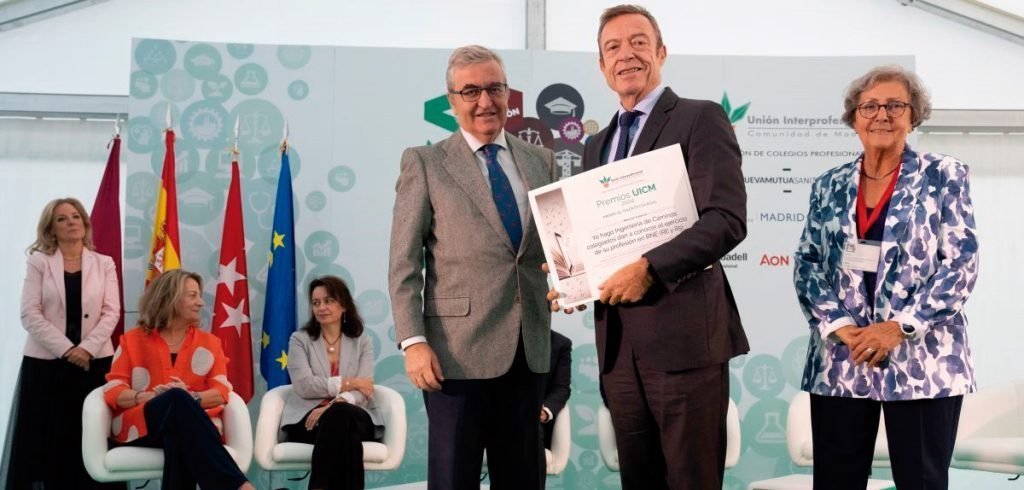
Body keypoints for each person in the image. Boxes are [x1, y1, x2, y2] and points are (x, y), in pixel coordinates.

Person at [548, 5, 750, 488]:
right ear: (602, 66)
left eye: (639, 42)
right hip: (619, 349)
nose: (626, 55)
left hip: (685, 341)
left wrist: (650, 269)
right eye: (613, 47)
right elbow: (595, 234)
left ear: (661, 52)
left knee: (691, 479)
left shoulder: (700, 118)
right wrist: (570, 274)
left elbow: (725, 219)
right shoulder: (596, 145)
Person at [794, 65, 978, 490]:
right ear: (854, 118)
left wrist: (900, 327)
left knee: (921, 482)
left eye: (895, 105)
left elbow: (960, 263)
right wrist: (840, 326)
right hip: (843, 359)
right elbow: (807, 262)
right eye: (870, 106)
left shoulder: (944, 175)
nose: (882, 115)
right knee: (836, 482)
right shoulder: (828, 185)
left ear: (913, 116)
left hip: (922, 361)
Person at [389, 45, 556, 489]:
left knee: (523, 480)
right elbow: (404, 263)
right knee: (453, 480)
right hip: (454, 357)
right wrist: (413, 342)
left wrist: (575, 280)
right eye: (471, 91)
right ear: (452, 100)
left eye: (495, 88)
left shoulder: (541, 160)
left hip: (528, 351)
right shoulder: (425, 163)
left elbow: (556, 243)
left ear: (508, 94)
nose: (485, 101)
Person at [7, 197, 123, 490]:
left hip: (94, 363)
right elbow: (29, 313)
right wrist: (69, 350)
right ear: (51, 229)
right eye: (62, 218)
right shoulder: (39, 262)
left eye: (75, 216)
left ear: (84, 223)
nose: (71, 222)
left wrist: (86, 349)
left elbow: (112, 312)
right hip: (46, 365)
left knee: (91, 433)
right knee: (45, 438)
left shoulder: (104, 263)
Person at [103, 269, 254, 490]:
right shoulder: (132, 340)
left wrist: (191, 397)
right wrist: (149, 397)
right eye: (192, 296)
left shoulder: (210, 342)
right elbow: (114, 390)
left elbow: (221, 391)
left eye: (199, 295)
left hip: (192, 424)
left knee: (178, 428)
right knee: (176, 400)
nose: (201, 302)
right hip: (144, 425)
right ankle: (239, 486)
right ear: (169, 299)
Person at [282, 276, 383, 490]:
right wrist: (350, 382)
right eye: (316, 302)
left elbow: (365, 389)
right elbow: (304, 386)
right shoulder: (299, 340)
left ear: (344, 305)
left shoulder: (362, 341)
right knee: (347, 437)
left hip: (354, 414)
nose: (321, 307)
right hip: (308, 420)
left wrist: (333, 404)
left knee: (340, 414)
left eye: (328, 301)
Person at [540, 330, 571, 450]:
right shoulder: (494, 337)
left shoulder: (560, 343)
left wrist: (545, 411)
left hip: (534, 424)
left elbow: (561, 388)